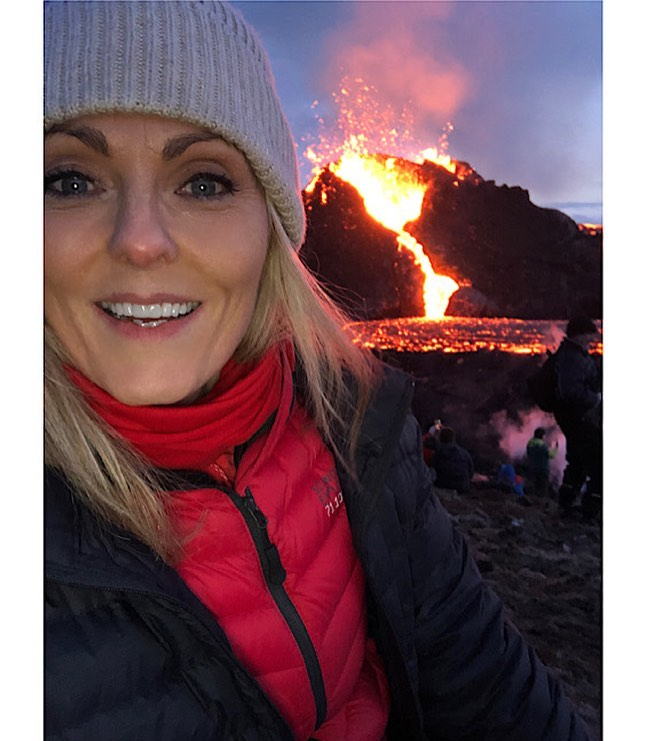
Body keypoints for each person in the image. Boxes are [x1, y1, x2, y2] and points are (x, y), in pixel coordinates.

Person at [44, 2, 592, 739]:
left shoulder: (361, 429)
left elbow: (495, 690)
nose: (140, 241)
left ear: (272, 233)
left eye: (204, 181)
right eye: (70, 180)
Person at [552, 316, 602, 519]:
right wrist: (595, 399)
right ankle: (590, 510)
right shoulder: (573, 358)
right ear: (580, 334)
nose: (593, 338)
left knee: (579, 462)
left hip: (574, 418)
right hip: (579, 418)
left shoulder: (571, 355)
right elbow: (571, 392)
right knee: (599, 464)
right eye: (590, 334)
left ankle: (566, 504)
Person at [428, 426, 474, 493]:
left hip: (442, 485)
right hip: (463, 487)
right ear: (453, 438)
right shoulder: (464, 453)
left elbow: (432, 470)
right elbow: (471, 472)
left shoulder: (438, 453)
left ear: (440, 438)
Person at [525, 427, 558, 497]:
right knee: (543, 489)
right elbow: (551, 456)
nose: (545, 437)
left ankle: (534, 502)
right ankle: (540, 504)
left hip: (533, 468)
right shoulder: (542, 446)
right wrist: (556, 448)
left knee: (535, 487)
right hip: (543, 469)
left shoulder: (529, 445)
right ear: (541, 436)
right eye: (544, 435)